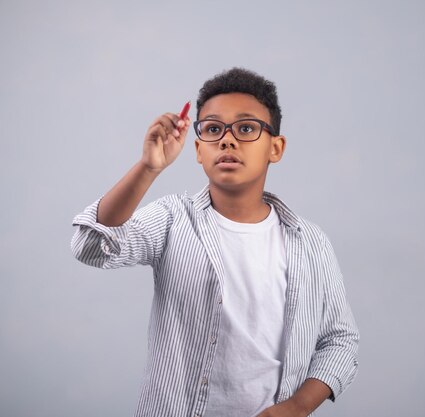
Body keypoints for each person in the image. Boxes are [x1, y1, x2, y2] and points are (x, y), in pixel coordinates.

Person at [70, 67, 359, 417]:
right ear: (198, 149)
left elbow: (340, 341)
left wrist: (297, 407)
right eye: (212, 129)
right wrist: (149, 167)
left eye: (247, 128)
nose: (227, 140)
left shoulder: (310, 242)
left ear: (276, 148)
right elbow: (90, 245)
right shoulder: (173, 219)